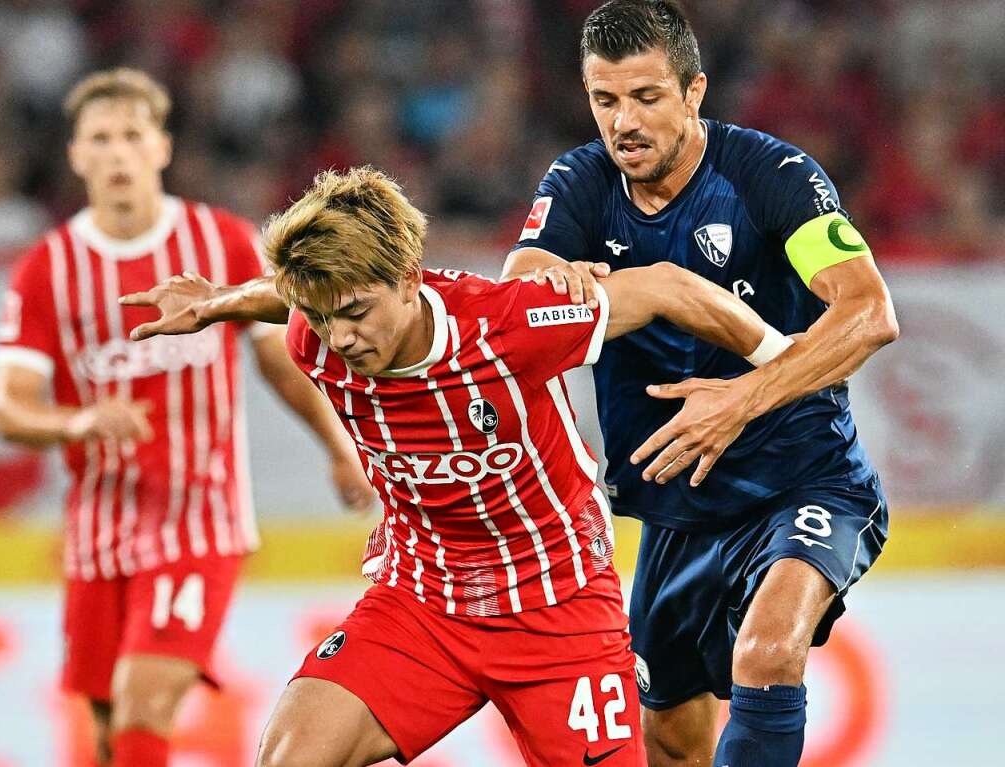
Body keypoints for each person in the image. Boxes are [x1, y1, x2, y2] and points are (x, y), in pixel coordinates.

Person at [120, 166, 795, 767]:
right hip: (422, 604)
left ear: (410, 279)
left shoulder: (510, 324)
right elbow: (300, 298)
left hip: (557, 609)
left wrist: (781, 363)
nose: (343, 338)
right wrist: (221, 302)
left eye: (357, 313)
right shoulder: (315, 337)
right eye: (325, 320)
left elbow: (670, 288)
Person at [501, 2, 899, 766]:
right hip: (678, 512)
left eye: (647, 96)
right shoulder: (580, 181)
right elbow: (519, 278)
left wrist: (739, 400)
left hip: (802, 483)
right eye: (605, 99)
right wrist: (558, 275)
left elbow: (870, 312)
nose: (624, 121)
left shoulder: (772, 175)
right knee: (671, 738)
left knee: (768, 652)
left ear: (694, 92)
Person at [0, 68, 374, 767]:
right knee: (109, 732)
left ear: (160, 147)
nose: (117, 153)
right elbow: (9, 406)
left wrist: (338, 444)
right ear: (76, 154)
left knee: (142, 705)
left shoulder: (220, 242)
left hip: (198, 519)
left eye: (132, 135)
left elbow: (278, 361)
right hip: (98, 529)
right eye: (100, 139)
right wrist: (76, 425)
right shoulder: (48, 268)